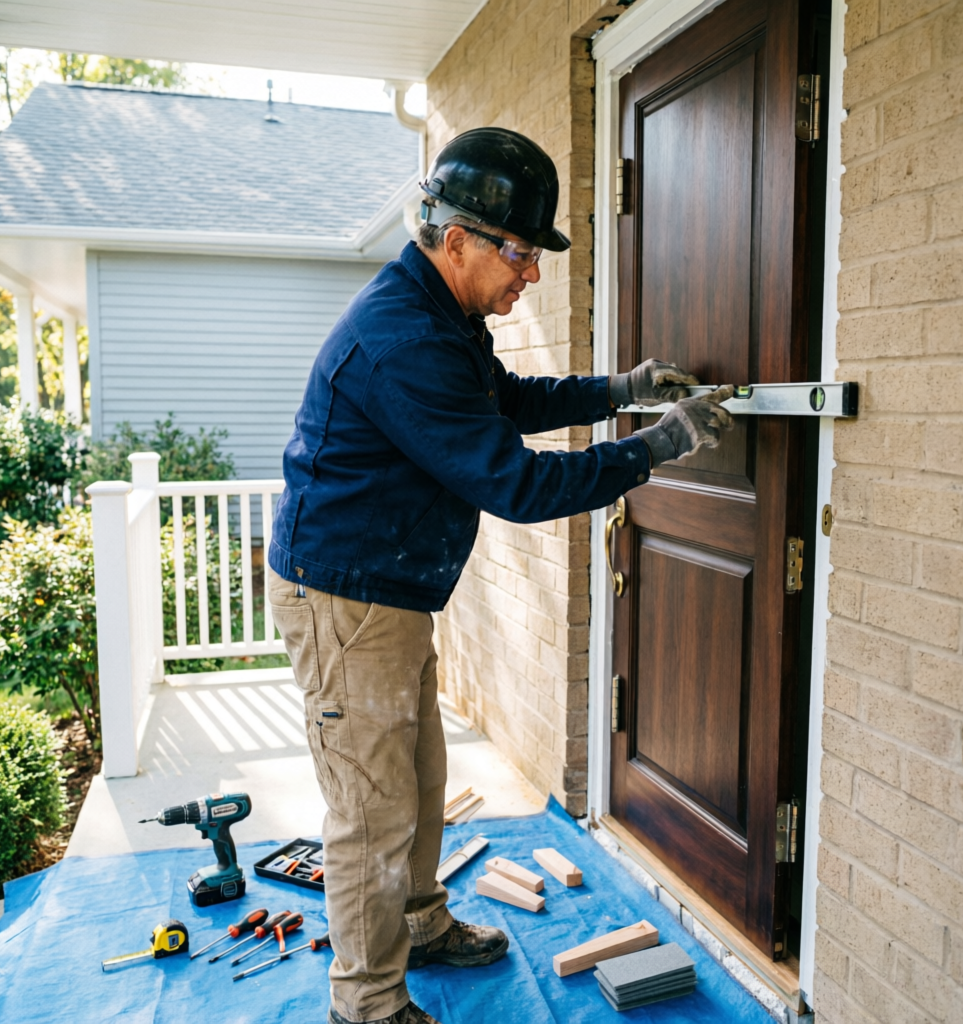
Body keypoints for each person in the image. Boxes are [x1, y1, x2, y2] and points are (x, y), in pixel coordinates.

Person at [268, 127, 733, 1024]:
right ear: (458, 240)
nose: (533, 272)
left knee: (417, 779)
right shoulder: (403, 338)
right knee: (370, 811)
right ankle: (364, 1004)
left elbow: (511, 401)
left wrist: (620, 389)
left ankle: (421, 922)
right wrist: (657, 447)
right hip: (344, 601)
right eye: (520, 250)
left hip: (384, 594)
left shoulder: (444, 317)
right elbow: (514, 482)